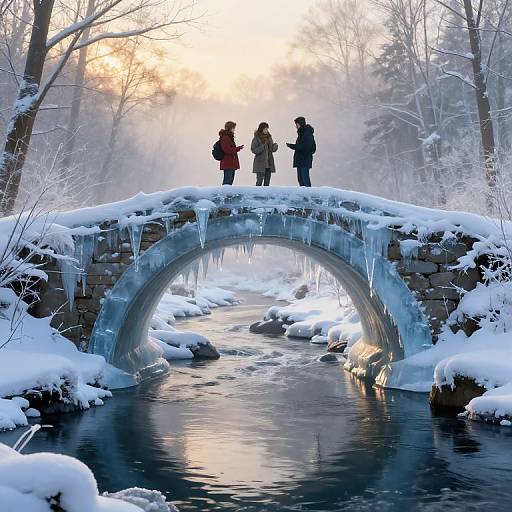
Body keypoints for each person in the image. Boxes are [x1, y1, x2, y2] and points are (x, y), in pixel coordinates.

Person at [286, 116, 316, 187]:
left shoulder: (307, 134)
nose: (296, 126)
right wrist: (293, 146)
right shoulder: (301, 134)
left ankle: (309, 194)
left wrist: (292, 146)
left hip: (304, 160)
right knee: (300, 179)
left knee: (305, 179)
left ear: (300, 124)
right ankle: (303, 196)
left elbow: (305, 147)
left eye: (297, 124)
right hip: (300, 160)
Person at [251, 122, 278, 186]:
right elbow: (253, 150)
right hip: (260, 164)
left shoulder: (269, 138)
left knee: (267, 183)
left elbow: (271, 149)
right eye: (265, 129)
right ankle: (257, 194)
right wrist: (263, 146)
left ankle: (265, 195)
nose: (266, 130)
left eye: (267, 129)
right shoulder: (256, 138)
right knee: (259, 181)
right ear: (261, 129)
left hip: (269, 164)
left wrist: (275, 146)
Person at [219, 121, 244, 185]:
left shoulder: (229, 137)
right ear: (230, 128)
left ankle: (227, 194)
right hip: (228, 163)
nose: (234, 129)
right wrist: (238, 148)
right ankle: (224, 194)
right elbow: (227, 150)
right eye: (233, 128)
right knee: (227, 182)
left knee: (230, 181)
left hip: (230, 163)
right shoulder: (225, 137)